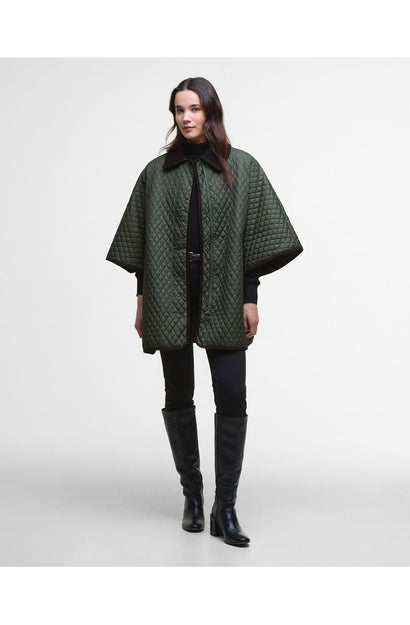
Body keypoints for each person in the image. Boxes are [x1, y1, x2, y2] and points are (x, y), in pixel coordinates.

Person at [106, 76, 303, 547]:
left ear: (211, 112)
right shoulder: (156, 172)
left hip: (225, 293)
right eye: (179, 110)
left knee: (232, 395)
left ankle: (225, 508)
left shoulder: (242, 167)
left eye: (195, 108)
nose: (187, 117)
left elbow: (254, 237)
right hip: (168, 295)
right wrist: (142, 299)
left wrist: (250, 296)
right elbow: (144, 242)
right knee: (178, 393)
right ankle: (192, 497)